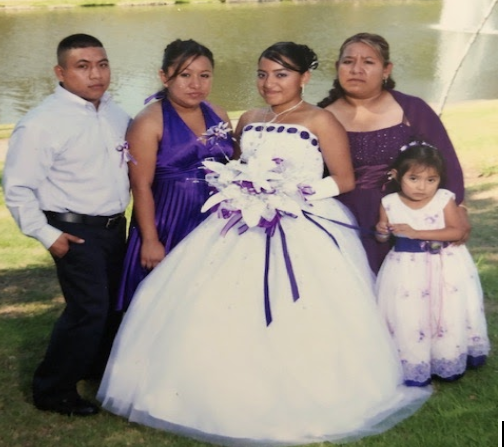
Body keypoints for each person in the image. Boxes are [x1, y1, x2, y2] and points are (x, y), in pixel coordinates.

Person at [97, 42, 430, 446]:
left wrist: (290, 192)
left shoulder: (321, 120)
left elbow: (343, 179)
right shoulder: (249, 119)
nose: (269, 83)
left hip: (301, 223)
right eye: (262, 74)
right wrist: (246, 188)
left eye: (281, 74)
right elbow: (237, 167)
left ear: (305, 78)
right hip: (243, 221)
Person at [2, 34, 131, 416]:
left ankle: (94, 367)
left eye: (102, 64)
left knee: (111, 306)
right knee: (87, 310)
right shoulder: (42, 123)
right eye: (83, 66)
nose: (96, 74)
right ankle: (52, 389)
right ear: (60, 72)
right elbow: (18, 188)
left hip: (113, 226)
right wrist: (48, 236)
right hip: (73, 230)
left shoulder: (115, 113)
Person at [318, 32, 469, 275]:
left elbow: (447, 165)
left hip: (407, 217)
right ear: (337, 67)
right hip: (343, 222)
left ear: (386, 69)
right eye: (348, 62)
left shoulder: (411, 109)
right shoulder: (320, 117)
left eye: (368, 62)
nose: (356, 69)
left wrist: (457, 208)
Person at [116, 39, 234, 310]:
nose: (196, 84)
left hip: (214, 220)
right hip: (169, 221)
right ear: (164, 76)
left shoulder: (218, 113)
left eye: (204, 76)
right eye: (185, 75)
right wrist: (150, 239)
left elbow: (233, 165)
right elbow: (141, 185)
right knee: (167, 302)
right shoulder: (149, 121)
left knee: (210, 299)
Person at [375, 142, 490, 386]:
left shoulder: (444, 200)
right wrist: (382, 231)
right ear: (396, 175)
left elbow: (456, 231)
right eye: (414, 178)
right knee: (409, 312)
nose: (422, 186)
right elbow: (382, 237)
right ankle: (413, 360)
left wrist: (416, 232)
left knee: (446, 310)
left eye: (431, 180)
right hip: (405, 267)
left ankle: (447, 356)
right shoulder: (389, 203)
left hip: (445, 265)